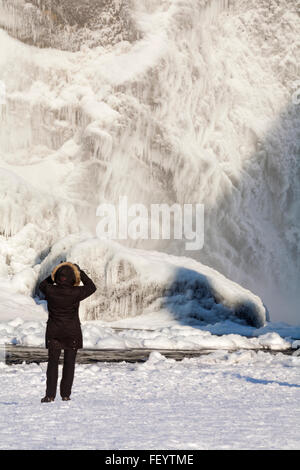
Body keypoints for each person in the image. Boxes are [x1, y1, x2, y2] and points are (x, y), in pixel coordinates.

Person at [39, 262, 96, 403]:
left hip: (54, 332)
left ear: (57, 277)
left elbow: (42, 284)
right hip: (72, 332)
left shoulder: (50, 290)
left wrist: (54, 273)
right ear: (73, 278)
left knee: (52, 363)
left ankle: (50, 395)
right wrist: (80, 271)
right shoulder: (76, 292)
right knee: (69, 364)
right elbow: (91, 287)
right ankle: (65, 395)